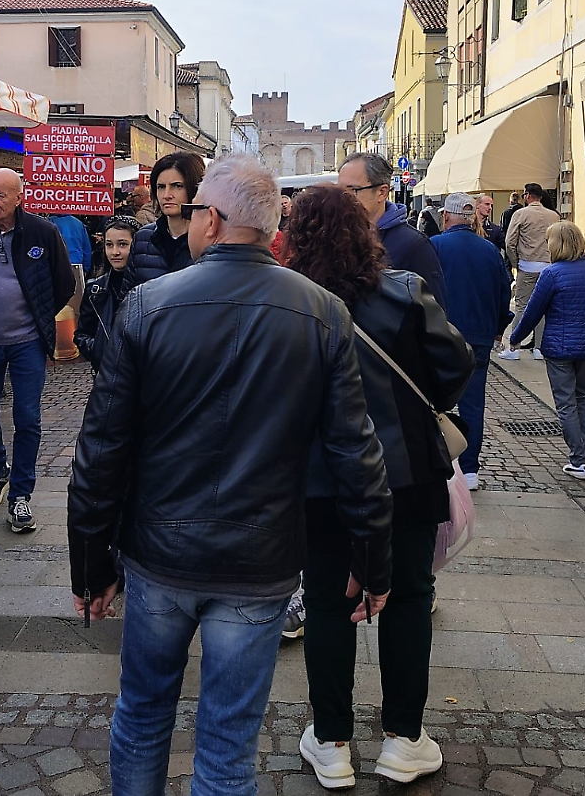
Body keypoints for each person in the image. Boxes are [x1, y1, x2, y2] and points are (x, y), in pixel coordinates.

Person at [67, 155, 393, 796]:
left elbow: (102, 449)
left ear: (211, 220)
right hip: (259, 558)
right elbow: (356, 453)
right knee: (228, 743)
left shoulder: (147, 305)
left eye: (193, 211)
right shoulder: (323, 312)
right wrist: (373, 559)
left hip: (161, 552)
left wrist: (91, 562)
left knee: (143, 712)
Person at [286, 184, 472, 787]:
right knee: (411, 596)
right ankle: (404, 739)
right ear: (365, 233)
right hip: (406, 471)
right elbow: (455, 364)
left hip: (320, 478)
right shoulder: (404, 292)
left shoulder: (288, 303)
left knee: (326, 601)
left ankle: (332, 741)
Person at [0, 168, 75, 533]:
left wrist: (39, 315)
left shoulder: (42, 232)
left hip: (27, 343)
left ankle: (21, 495)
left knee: (28, 418)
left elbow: (64, 283)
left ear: (19, 198)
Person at [507, 222, 585, 480]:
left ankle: (578, 460)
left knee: (566, 403)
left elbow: (532, 311)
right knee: (583, 397)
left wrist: (515, 338)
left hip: (560, 348)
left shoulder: (551, 274)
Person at [431, 193, 513, 491]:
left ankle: (437, 463)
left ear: (446, 217)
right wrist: (498, 328)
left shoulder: (435, 246)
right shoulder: (489, 249)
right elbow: (504, 291)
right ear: (472, 218)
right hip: (479, 335)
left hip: (441, 335)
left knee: (433, 401)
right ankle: (469, 470)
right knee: (473, 403)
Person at [338, 153, 447, 309]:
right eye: (339, 191)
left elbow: (435, 312)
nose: (342, 198)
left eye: (353, 190)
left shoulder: (414, 245)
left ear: (382, 192)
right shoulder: (338, 237)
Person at [121, 152, 206, 292]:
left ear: (194, 189)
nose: (167, 195)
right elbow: (128, 296)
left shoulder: (209, 240)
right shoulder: (143, 238)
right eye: (161, 187)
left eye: (177, 186)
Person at [502, 183, 560, 360]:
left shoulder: (520, 214)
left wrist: (515, 262)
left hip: (527, 264)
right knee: (542, 307)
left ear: (527, 196)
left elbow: (510, 242)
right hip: (548, 266)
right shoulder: (554, 216)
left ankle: (514, 348)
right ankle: (539, 348)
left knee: (521, 306)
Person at [75, 216, 137, 373]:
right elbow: (82, 334)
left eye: (122, 244)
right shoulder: (94, 290)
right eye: (109, 245)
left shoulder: (150, 287)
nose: (115, 252)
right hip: (107, 372)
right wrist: (100, 351)